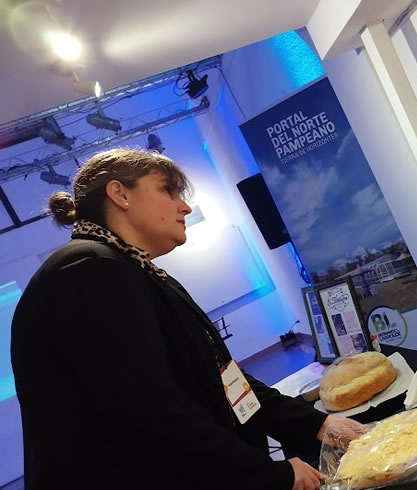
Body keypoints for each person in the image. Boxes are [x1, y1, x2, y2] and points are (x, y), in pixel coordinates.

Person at [11, 149, 364, 490]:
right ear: (120, 194)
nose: (185, 206)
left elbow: (224, 378)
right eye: (167, 190)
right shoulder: (87, 269)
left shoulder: (137, 271)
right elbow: (150, 411)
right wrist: (270, 475)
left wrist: (318, 425)